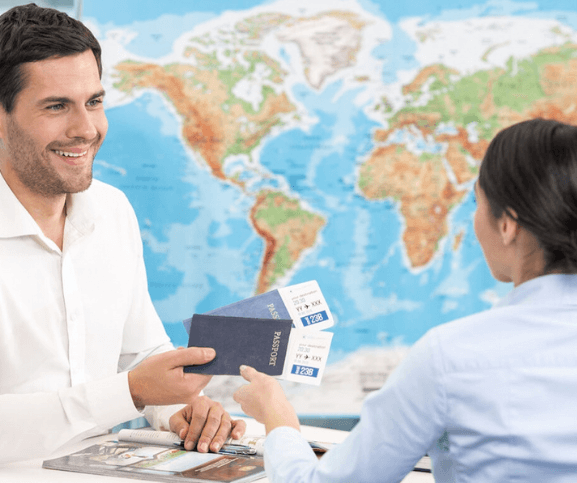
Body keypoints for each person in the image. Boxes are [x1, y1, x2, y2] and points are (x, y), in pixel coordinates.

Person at [0, 3, 244, 470]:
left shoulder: (113, 210)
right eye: (57, 106)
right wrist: (131, 391)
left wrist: (178, 409)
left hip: (108, 469)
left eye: (94, 102)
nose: (86, 129)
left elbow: (139, 353)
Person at [233, 118, 577, 482]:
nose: (475, 219)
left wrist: (276, 416)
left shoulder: (450, 358)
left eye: (478, 202)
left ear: (507, 225)